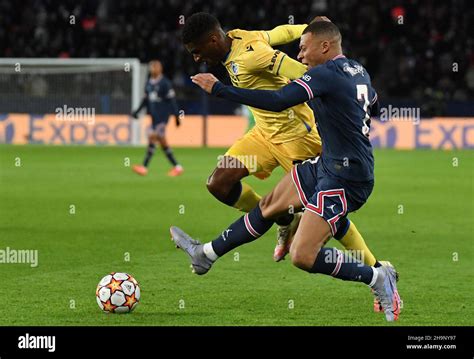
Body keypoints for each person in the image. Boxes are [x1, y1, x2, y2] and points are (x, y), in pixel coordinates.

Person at [172, 20, 401, 321]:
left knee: (304, 255)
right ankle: (205, 255)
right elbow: (372, 101)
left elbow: (280, 99)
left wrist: (220, 90)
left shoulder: (322, 74)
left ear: (325, 46)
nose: (300, 56)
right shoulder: (358, 69)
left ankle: (377, 276)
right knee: (269, 205)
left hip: (343, 174)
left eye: (304, 50)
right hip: (321, 161)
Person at [131, 60, 183, 177]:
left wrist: (176, 117)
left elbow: (172, 101)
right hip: (154, 117)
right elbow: (145, 100)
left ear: (160, 69)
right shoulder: (149, 83)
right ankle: (177, 167)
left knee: (153, 137)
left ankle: (144, 166)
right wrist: (137, 112)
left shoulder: (165, 83)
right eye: (152, 67)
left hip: (163, 117)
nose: (153, 69)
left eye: (155, 67)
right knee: (160, 141)